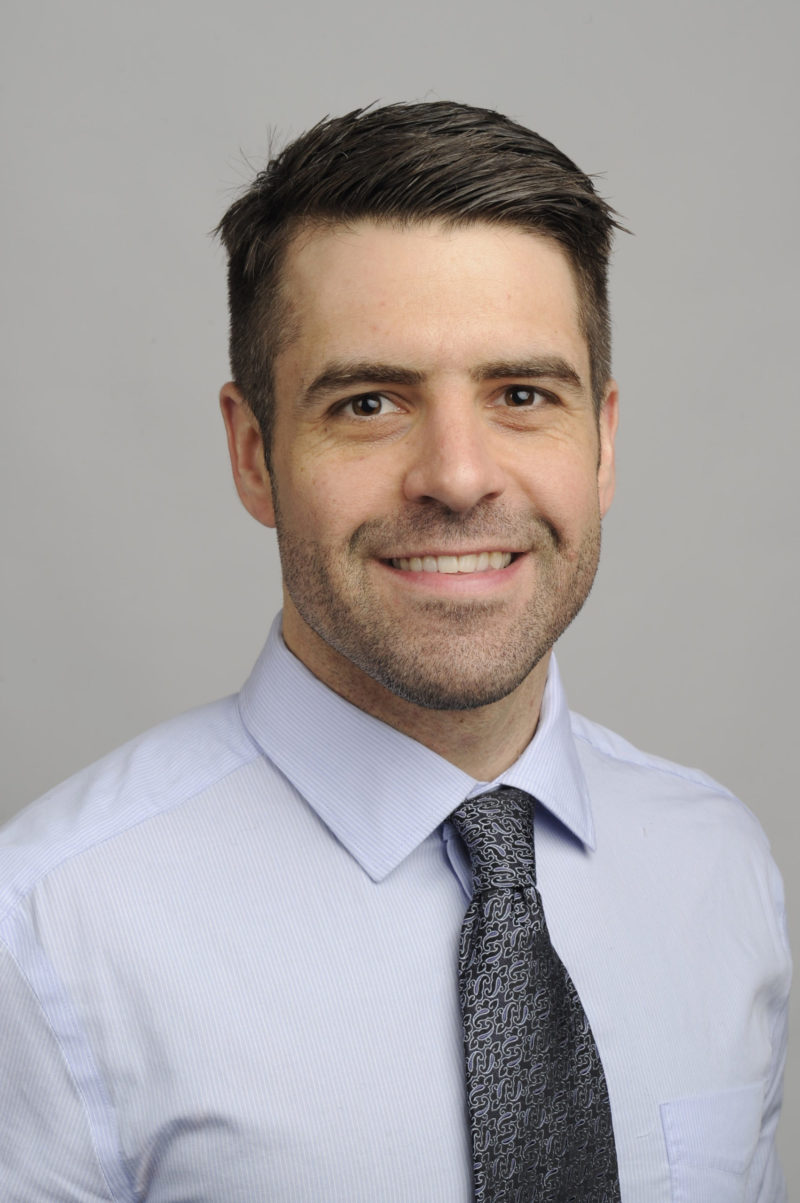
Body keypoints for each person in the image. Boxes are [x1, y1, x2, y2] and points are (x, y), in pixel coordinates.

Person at [0, 102, 790, 1202]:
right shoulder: (46, 932)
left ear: (603, 441)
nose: (458, 477)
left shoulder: (721, 869)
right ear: (254, 453)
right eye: (368, 402)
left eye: (523, 395)